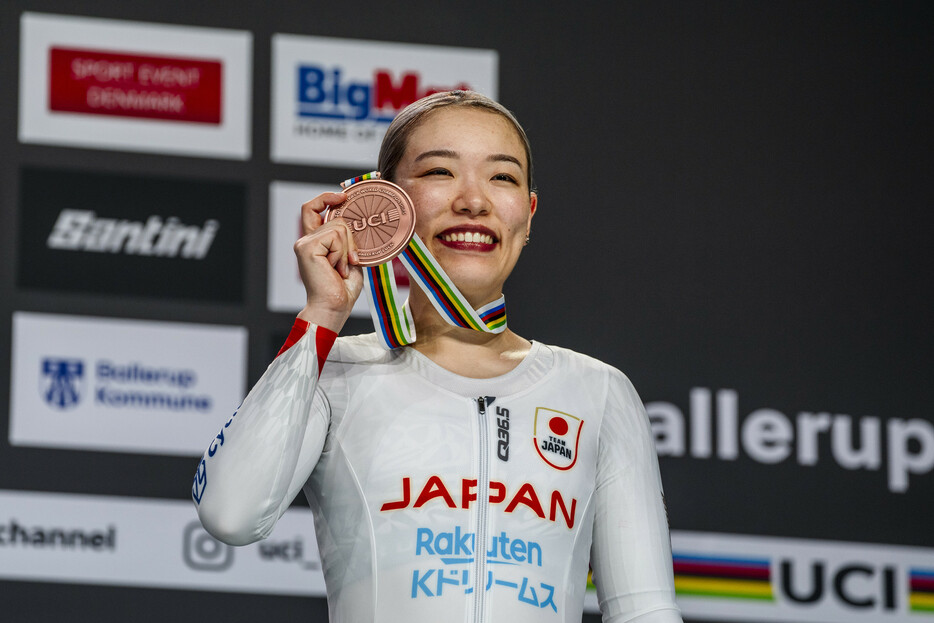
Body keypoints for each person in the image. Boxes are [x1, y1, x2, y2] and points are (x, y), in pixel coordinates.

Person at [193, 90, 682, 623]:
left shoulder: (599, 391)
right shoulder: (334, 372)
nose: (474, 200)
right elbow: (230, 514)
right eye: (440, 173)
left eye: (502, 177)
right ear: (385, 204)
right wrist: (323, 315)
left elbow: (646, 613)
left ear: (529, 213)